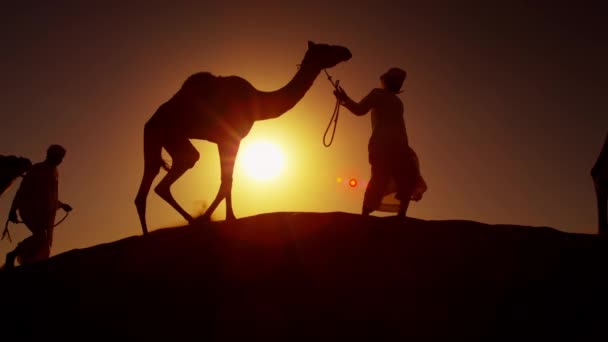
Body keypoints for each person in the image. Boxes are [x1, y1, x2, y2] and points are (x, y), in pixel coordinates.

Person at [334, 67, 423, 220]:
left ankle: (400, 216)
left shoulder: (397, 101)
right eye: (396, 80)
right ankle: (365, 217)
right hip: (382, 145)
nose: (397, 83)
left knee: (406, 178)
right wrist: (345, 99)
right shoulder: (377, 94)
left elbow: (399, 125)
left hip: (399, 146)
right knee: (379, 180)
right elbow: (360, 110)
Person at [3, 145, 72, 268]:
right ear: (51, 155)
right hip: (30, 209)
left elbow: (50, 197)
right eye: (59, 157)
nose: (60, 160)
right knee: (42, 238)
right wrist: (13, 210)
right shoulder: (37, 169)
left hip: (43, 213)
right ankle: (13, 254)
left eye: (62, 157)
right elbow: (22, 190)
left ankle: (28, 261)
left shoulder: (55, 173)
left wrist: (62, 205)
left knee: (42, 241)